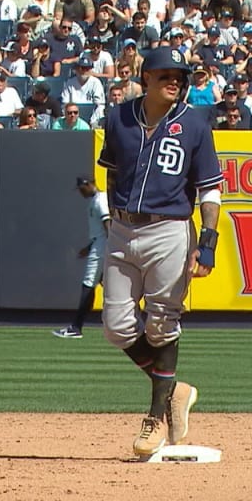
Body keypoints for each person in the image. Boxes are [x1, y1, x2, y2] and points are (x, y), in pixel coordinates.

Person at [97, 46, 223, 457]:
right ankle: (173, 390)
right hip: (121, 228)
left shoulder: (195, 124)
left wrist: (207, 242)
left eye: (180, 76)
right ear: (145, 77)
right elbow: (112, 174)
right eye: (166, 74)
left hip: (169, 230)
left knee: (162, 323)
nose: (176, 81)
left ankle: (154, 416)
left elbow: (209, 189)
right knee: (116, 327)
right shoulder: (117, 117)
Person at [53, 176, 111, 339]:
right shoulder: (95, 200)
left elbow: (109, 226)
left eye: (81, 188)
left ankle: (76, 327)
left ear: (89, 184)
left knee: (89, 283)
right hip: (99, 245)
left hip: (103, 247)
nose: (80, 192)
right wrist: (88, 248)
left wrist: (111, 249)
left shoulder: (101, 200)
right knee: (108, 286)